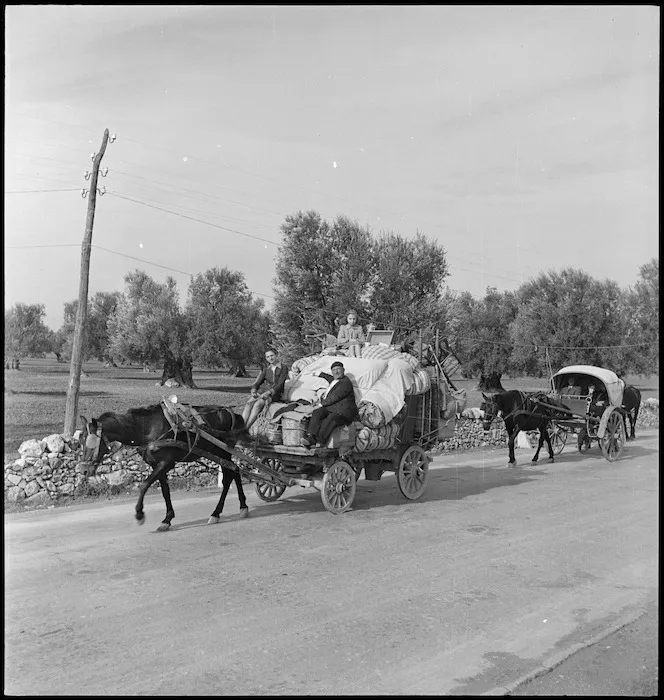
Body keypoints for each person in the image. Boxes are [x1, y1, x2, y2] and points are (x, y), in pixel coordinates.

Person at [301, 361, 358, 448]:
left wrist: (320, 404)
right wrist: (319, 374)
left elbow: (335, 397)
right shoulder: (336, 381)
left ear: (343, 370)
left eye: (338, 369)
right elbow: (330, 378)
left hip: (344, 413)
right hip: (333, 408)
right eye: (334, 370)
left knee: (331, 418)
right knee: (317, 412)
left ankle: (321, 441)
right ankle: (311, 437)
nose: (336, 372)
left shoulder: (345, 383)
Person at [242, 347, 289, 430]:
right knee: (249, 403)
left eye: (272, 355)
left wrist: (269, 392)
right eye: (268, 357)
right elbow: (257, 382)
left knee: (258, 404)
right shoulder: (266, 369)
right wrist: (254, 390)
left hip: (275, 393)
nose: (270, 358)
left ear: (276, 355)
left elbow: (280, 385)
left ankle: (246, 428)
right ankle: (241, 425)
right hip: (263, 391)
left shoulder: (283, 368)